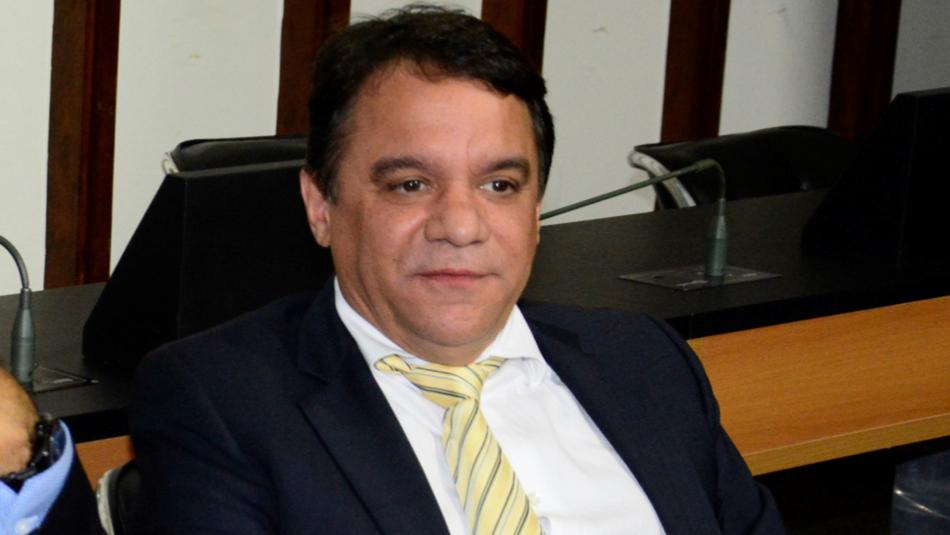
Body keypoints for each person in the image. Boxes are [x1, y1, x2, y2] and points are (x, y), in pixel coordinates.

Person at [3, 6, 783, 534]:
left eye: (499, 185)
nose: (461, 225)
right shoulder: (225, 402)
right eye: (411, 184)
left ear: (537, 207)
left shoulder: (645, 362)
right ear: (321, 204)